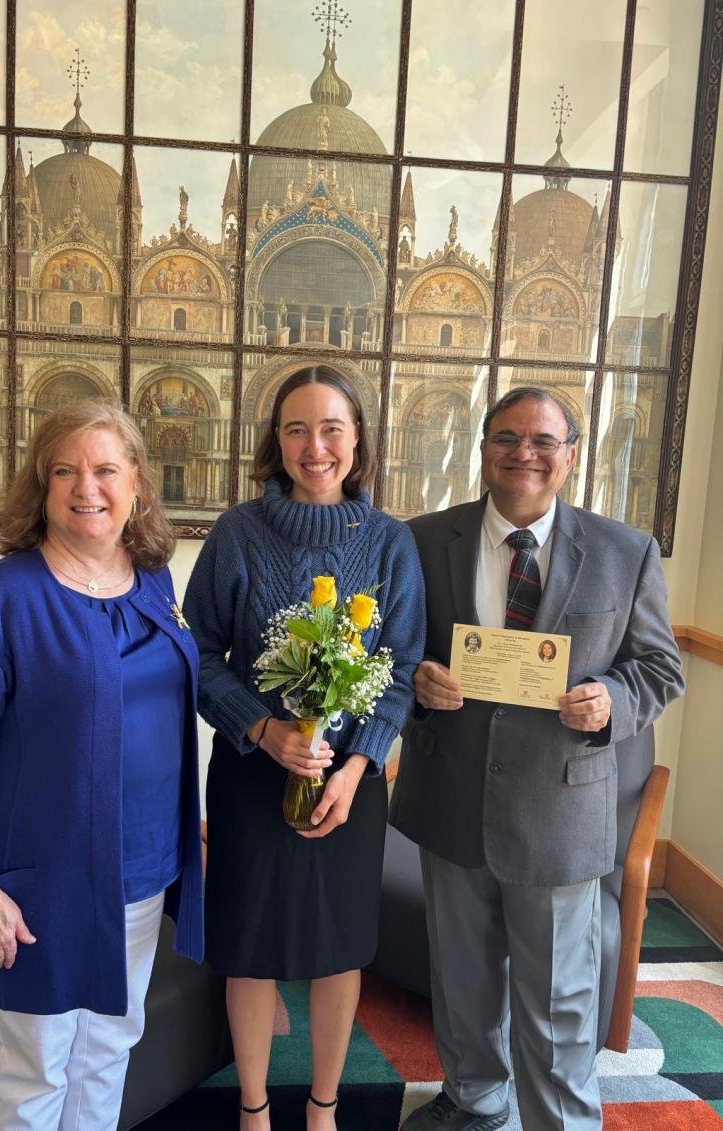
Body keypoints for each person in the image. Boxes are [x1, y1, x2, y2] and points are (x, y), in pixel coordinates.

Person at [391, 387, 684, 1131]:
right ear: (483, 448)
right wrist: (417, 681)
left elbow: (660, 669)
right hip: (450, 797)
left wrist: (612, 698)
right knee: (460, 985)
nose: (525, 453)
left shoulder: (625, 552)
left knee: (558, 1003)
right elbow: (389, 654)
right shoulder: (423, 540)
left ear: (571, 454)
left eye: (544, 440)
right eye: (507, 437)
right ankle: (475, 1102)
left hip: (560, 813)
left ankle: (562, 1122)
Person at [0, 400, 203, 1130]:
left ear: (136, 482)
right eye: (65, 471)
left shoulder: (153, 583)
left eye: (107, 469)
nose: (88, 487)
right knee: (33, 1066)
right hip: (41, 883)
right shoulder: (2, 598)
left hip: (139, 869)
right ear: (41, 486)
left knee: (109, 1044)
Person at [183, 365, 426, 1131]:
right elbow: (199, 653)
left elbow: (404, 669)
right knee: (248, 946)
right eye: (296, 428)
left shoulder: (390, 543)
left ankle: (323, 1108)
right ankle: (253, 1110)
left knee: (337, 948)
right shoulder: (236, 534)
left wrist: (356, 768)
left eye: (331, 428)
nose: (314, 446)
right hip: (254, 777)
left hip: (347, 785)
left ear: (358, 438)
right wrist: (262, 728)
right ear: (274, 439)